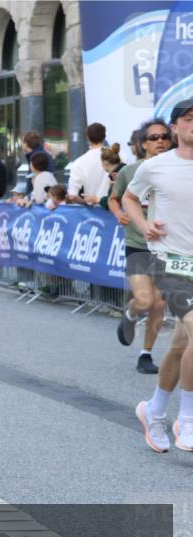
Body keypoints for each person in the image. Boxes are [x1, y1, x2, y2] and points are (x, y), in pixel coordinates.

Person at [124, 99, 193, 453]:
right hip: (172, 262)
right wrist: (143, 224)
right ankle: (188, 419)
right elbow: (129, 198)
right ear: (176, 127)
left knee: (183, 343)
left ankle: (153, 410)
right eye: (189, 119)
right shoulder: (155, 167)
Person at [112, 118, 173, 373]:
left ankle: (145, 354)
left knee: (159, 303)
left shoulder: (179, 169)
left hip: (167, 246)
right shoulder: (130, 171)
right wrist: (118, 213)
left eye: (164, 137)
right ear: (143, 144)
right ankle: (130, 313)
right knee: (145, 300)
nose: (160, 141)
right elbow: (114, 198)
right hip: (137, 243)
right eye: (154, 138)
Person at [68, 122, 112, 205]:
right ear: (104, 137)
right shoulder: (121, 156)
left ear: (87, 138)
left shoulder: (79, 162)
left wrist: (86, 202)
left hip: (92, 213)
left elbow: (72, 196)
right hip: (117, 212)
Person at [22, 130, 54, 197]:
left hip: (39, 201)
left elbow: (40, 184)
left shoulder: (37, 157)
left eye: (22, 142)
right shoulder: (40, 154)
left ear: (26, 144)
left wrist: (28, 198)